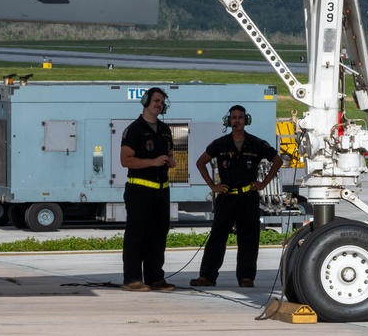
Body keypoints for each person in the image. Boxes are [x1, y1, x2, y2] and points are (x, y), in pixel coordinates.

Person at [191, 105, 283, 288]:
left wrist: (263, 183)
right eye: (233, 117)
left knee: (248, 238)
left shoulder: (256, 143)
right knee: (217, 237)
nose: (237, 121)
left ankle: (246, 277)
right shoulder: (220, 143)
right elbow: (200, 162)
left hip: (248, 197)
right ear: (228, 121)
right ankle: (207, 276)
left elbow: (277, 161)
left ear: (246, 120)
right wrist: (212, 185)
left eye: (240, 117)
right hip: (226, 197)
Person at [120, 87, 177, 292]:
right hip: (139, 191)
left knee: (158, 235)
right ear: (145, 101)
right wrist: (152, 162)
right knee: (137, 235)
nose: (159, 104)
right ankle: (132, 278)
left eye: (162, 102)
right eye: (155, 100)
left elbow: (170, 153)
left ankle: (155, 278)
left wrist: (170, 161)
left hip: (161, 191)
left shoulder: (164, 129)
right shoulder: (134, 129)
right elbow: (125, 160)